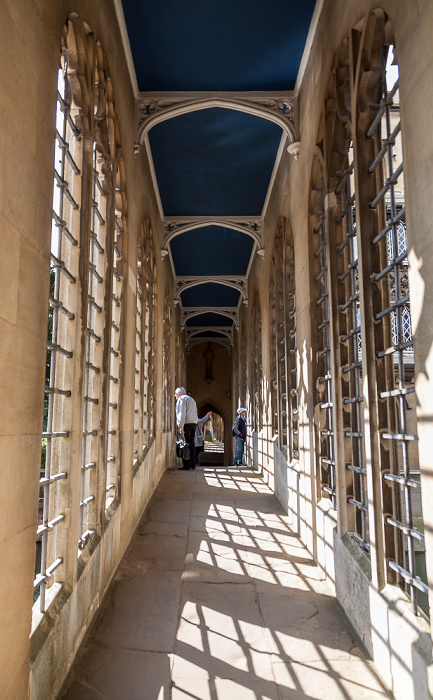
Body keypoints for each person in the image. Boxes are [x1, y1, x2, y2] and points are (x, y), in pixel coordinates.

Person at [175, 387, 198, 470]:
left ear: (180, 393)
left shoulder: (182, 399)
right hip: (193, 423)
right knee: (191, 444)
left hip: (186, 424)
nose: (175, 396)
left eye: (176, 394)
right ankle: (193, 464)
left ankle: (186, 465)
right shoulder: (192, 399)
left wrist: (181, 425)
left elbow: (182, 413)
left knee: (184, 445)